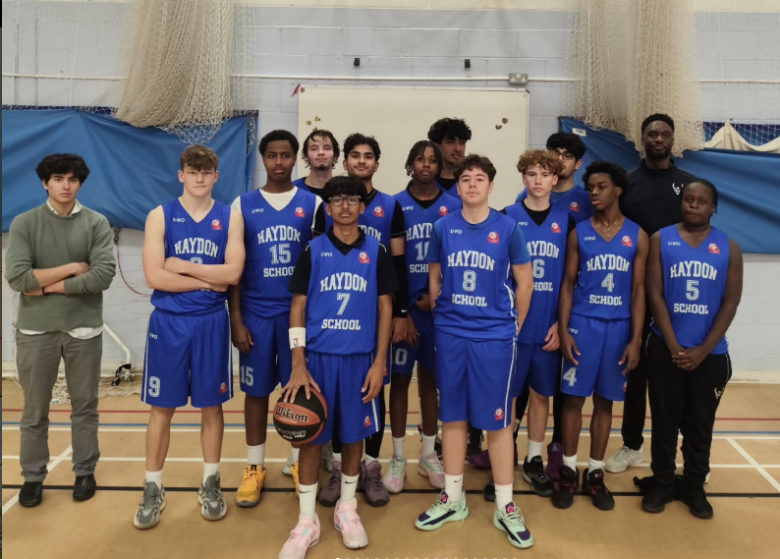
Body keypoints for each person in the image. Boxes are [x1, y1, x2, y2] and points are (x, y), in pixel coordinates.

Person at [415, 154, 535, 550]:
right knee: (453, 416)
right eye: (465, 178)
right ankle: (453, 497)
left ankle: (505, 504)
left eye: (479, 178)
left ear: (490, 186)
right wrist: (442, 315)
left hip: (494, 337)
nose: (471, 184)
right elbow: (434, 276)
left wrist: (513, 326)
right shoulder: (442, 227)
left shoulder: (509, 228)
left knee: (498, 422)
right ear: (458, 186)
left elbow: (525, 282)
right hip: (451, 333)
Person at [278, 176, 397, 559]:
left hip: (360, 360)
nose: (345, 205)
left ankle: (347, 507)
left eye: (351, 199)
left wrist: (380, 362)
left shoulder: (377, 251)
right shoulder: (313, 250)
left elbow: (386, 308)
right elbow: (297, 307)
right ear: (327, 208)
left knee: (353, 436)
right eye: (337, 200)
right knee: (311, 439)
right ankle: (306, 520)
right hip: (317, 361)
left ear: (363, 207)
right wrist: (298, 363)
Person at [134, 145, 245, 529]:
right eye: (192, 171)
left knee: (212, 407)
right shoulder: (159, 215)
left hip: (211, 323)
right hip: (169, 323)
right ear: (181, 175)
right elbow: (155, 276)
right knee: (161, 408)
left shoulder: (230, 217)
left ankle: (210, 482)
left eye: (206, 171)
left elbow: (232, 275)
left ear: (216, 176)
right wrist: (205, 281)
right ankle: (153, 486)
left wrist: (180, 266)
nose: (199, 177)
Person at [5, 153, 116, 508]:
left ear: (80, 183)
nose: (65, 186)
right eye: (58, 179)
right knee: (34, 411)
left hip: (85, 330)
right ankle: (32, 477)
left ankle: (85, 471)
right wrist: (71, 268)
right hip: (36, 332)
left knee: (85, 407)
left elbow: (102, 276)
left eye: (72, 179)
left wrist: (46, 286)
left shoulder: (97, 223)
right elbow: (18, 279)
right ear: (45, 183)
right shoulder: (25, 223)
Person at [313, 133, 408, 508]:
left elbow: (398, 263)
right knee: (340, 398)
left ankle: (371, 466)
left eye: (369, 156)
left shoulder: (390, 206)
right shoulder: (327, 208)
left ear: (376, 164)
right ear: (345, 161)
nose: (362, 161)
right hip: (337, 321)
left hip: (373, 319)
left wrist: (400, 313)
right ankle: (340, 467)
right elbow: (317, 265)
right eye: (355, 155)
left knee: (373, 393)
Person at [641, 180, 742, 519]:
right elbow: (655, 294)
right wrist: (673, 344)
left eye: (701, 201)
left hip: (709, 355)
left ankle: (694, 485)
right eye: (688, 199)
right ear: (681, 202)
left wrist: (702, 349)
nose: (694, 205)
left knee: (700, 425)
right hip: (665, 347)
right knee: (665, 422)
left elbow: (730, 303)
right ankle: (662, 482)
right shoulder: (661, 239)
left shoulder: (729, 247)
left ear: (713, 207)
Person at [606, 113, 700, 475]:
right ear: (641, 139)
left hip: (679, 294)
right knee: (636, 371)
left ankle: (689, 453)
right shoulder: (626, 185)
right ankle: (631, 445)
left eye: (664, 134)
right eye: (652, 134)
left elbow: (699, 236)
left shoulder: (689, 186)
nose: (658, 139)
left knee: (682, 371)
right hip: (636, 292)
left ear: (673, 139)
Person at [231, 131, 320, 507]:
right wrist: (236, 319)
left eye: (285, 155)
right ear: (263, 159)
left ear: (296, 158)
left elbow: (322, 262)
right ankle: (254, 467)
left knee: (299, 391)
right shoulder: (242, 204)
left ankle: (298, 462)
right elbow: (234, 270)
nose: (279, 162)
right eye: (272, 155)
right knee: (256, 394)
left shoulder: (313, 203)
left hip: (298, 316)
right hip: (256, 315)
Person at [554, 162, 648, 511]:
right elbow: (567, 284)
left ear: (617, 190)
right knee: (573, 400)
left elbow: (638, 291)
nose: (593, 192)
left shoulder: (637, 236)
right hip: (583, 325)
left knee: (605, 402)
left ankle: (594, 473)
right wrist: (564, 329)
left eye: (601, 186)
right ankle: (567, 470)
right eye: (590, 187)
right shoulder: (579, 233)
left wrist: (635, 339)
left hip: (618, 328)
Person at [384, 140, 461, 494]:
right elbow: (391, 263)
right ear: (410, 164)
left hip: (438, 311)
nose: (426, 165)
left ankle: (429, 453)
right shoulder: (395, 205)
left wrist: (437, 297)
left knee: (431, 382)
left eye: (432, 160)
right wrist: (403, 311)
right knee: (400, 381)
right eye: (420, 159)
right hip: (404, 312)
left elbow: (458, 260)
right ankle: (398, 456)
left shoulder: (454, 206)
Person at [503, 150, 573, 497]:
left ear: (555, 180)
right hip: (514, 327)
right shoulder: (507, 216)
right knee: (509, 397)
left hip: (547, 327)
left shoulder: (567, 220)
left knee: (541, 395)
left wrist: (562, 324)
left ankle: (534, 459)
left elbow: (571, 280)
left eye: (545, 174)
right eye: (532, 174)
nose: (538, 180)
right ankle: (505, 460)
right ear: (523, 178)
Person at [515, 132, 593, 224]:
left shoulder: (587, 199)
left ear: (578, 164)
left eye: (567, 155)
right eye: (556, 153)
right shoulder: (527, 195)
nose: (560, 159)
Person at [427, 118, 472, 197]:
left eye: (462, 142)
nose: (458, 148)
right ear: (437, 146)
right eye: (450, 142)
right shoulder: (422, 184)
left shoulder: (472, 183)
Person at [292, 129, 340, 199]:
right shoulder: (292, 190)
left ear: (335, 154)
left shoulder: (344, 190)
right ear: (306, 155)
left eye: (327, 148)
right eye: (314, 149)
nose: (321, 152)